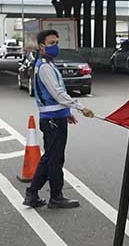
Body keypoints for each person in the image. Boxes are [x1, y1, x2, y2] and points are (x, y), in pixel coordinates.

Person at [24, 29, 95, 209]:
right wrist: (80, 108)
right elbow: (58, 94)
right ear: (42, 46)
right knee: (55, 160)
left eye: (57, 42)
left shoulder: (47, 63)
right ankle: (56, 196)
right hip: (52, 121)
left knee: (50, 158)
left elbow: (55, 96)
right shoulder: (45, 66)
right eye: (51, 43)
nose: (56, 46)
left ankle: (32, 194)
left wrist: (66, 113)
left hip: (55, 117)